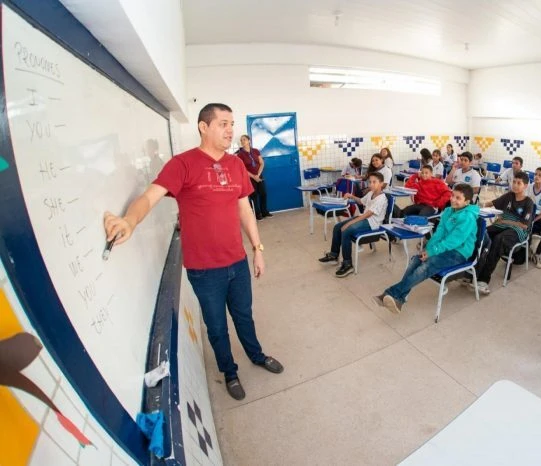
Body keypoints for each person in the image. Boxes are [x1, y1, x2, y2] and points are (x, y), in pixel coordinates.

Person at [103, 103, 283, 401]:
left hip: (237, 262)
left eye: (232, 124)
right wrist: (130, 221)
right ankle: (229, 372)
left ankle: (257, 355)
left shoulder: (235, 165)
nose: (230, 130)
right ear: (203, 127)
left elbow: (245, 210)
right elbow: (150, 196)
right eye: (223, 124)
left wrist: (257, 248)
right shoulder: (183, 164)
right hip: (204, 270)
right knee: (216, 327)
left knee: (244, 316)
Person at [375, 184, 480, 314]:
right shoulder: (448, 211)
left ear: (467, 202)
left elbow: (453, 241)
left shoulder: (468, 217)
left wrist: (432, 252)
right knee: (415, 260)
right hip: (442, 248)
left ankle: (391, 293)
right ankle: (399, 299)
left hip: (459, 252)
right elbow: (439, 233)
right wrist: (428, 249)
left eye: (458, 198)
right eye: (452, 195)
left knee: (426, 266)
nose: (453, 199)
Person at [471, 171, 534, 295]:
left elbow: (524, 225)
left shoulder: (528, 202)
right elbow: (492, 203)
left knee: (499, 240)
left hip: (518, 230)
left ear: (525, 186)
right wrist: (478, 207)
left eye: (519, 183)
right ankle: (471, 272)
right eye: (514, 182)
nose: (515, 185)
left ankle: (483, 280)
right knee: (483, 233)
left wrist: (505, 221)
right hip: (502, 225)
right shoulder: (509, 196)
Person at [318, 172, 388, 277]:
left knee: (346, 230)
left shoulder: (382, 198)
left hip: (373, 223)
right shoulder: (371, 193)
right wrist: (351, 196)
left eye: (374, 182)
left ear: (381, 184)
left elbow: (368, 215)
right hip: (364, 218)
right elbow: (361, 201)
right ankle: (334, 255)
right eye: (370, 182)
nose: (371, 184)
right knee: (337, 227)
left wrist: (349, 223)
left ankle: (348, 264)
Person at [236, 134, 272, 220]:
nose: (242, 141)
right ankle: (257, 214)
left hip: (259, 176)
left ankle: (264, 212)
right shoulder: (240, 154)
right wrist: (253, 176)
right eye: (241, 140)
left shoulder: (255, 151)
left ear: (249, 141)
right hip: (249, 178)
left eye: (244, 139)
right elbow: (243, 169)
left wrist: (258, 175)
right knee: (254, 196)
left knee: (263, 193)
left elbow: (262, 163)